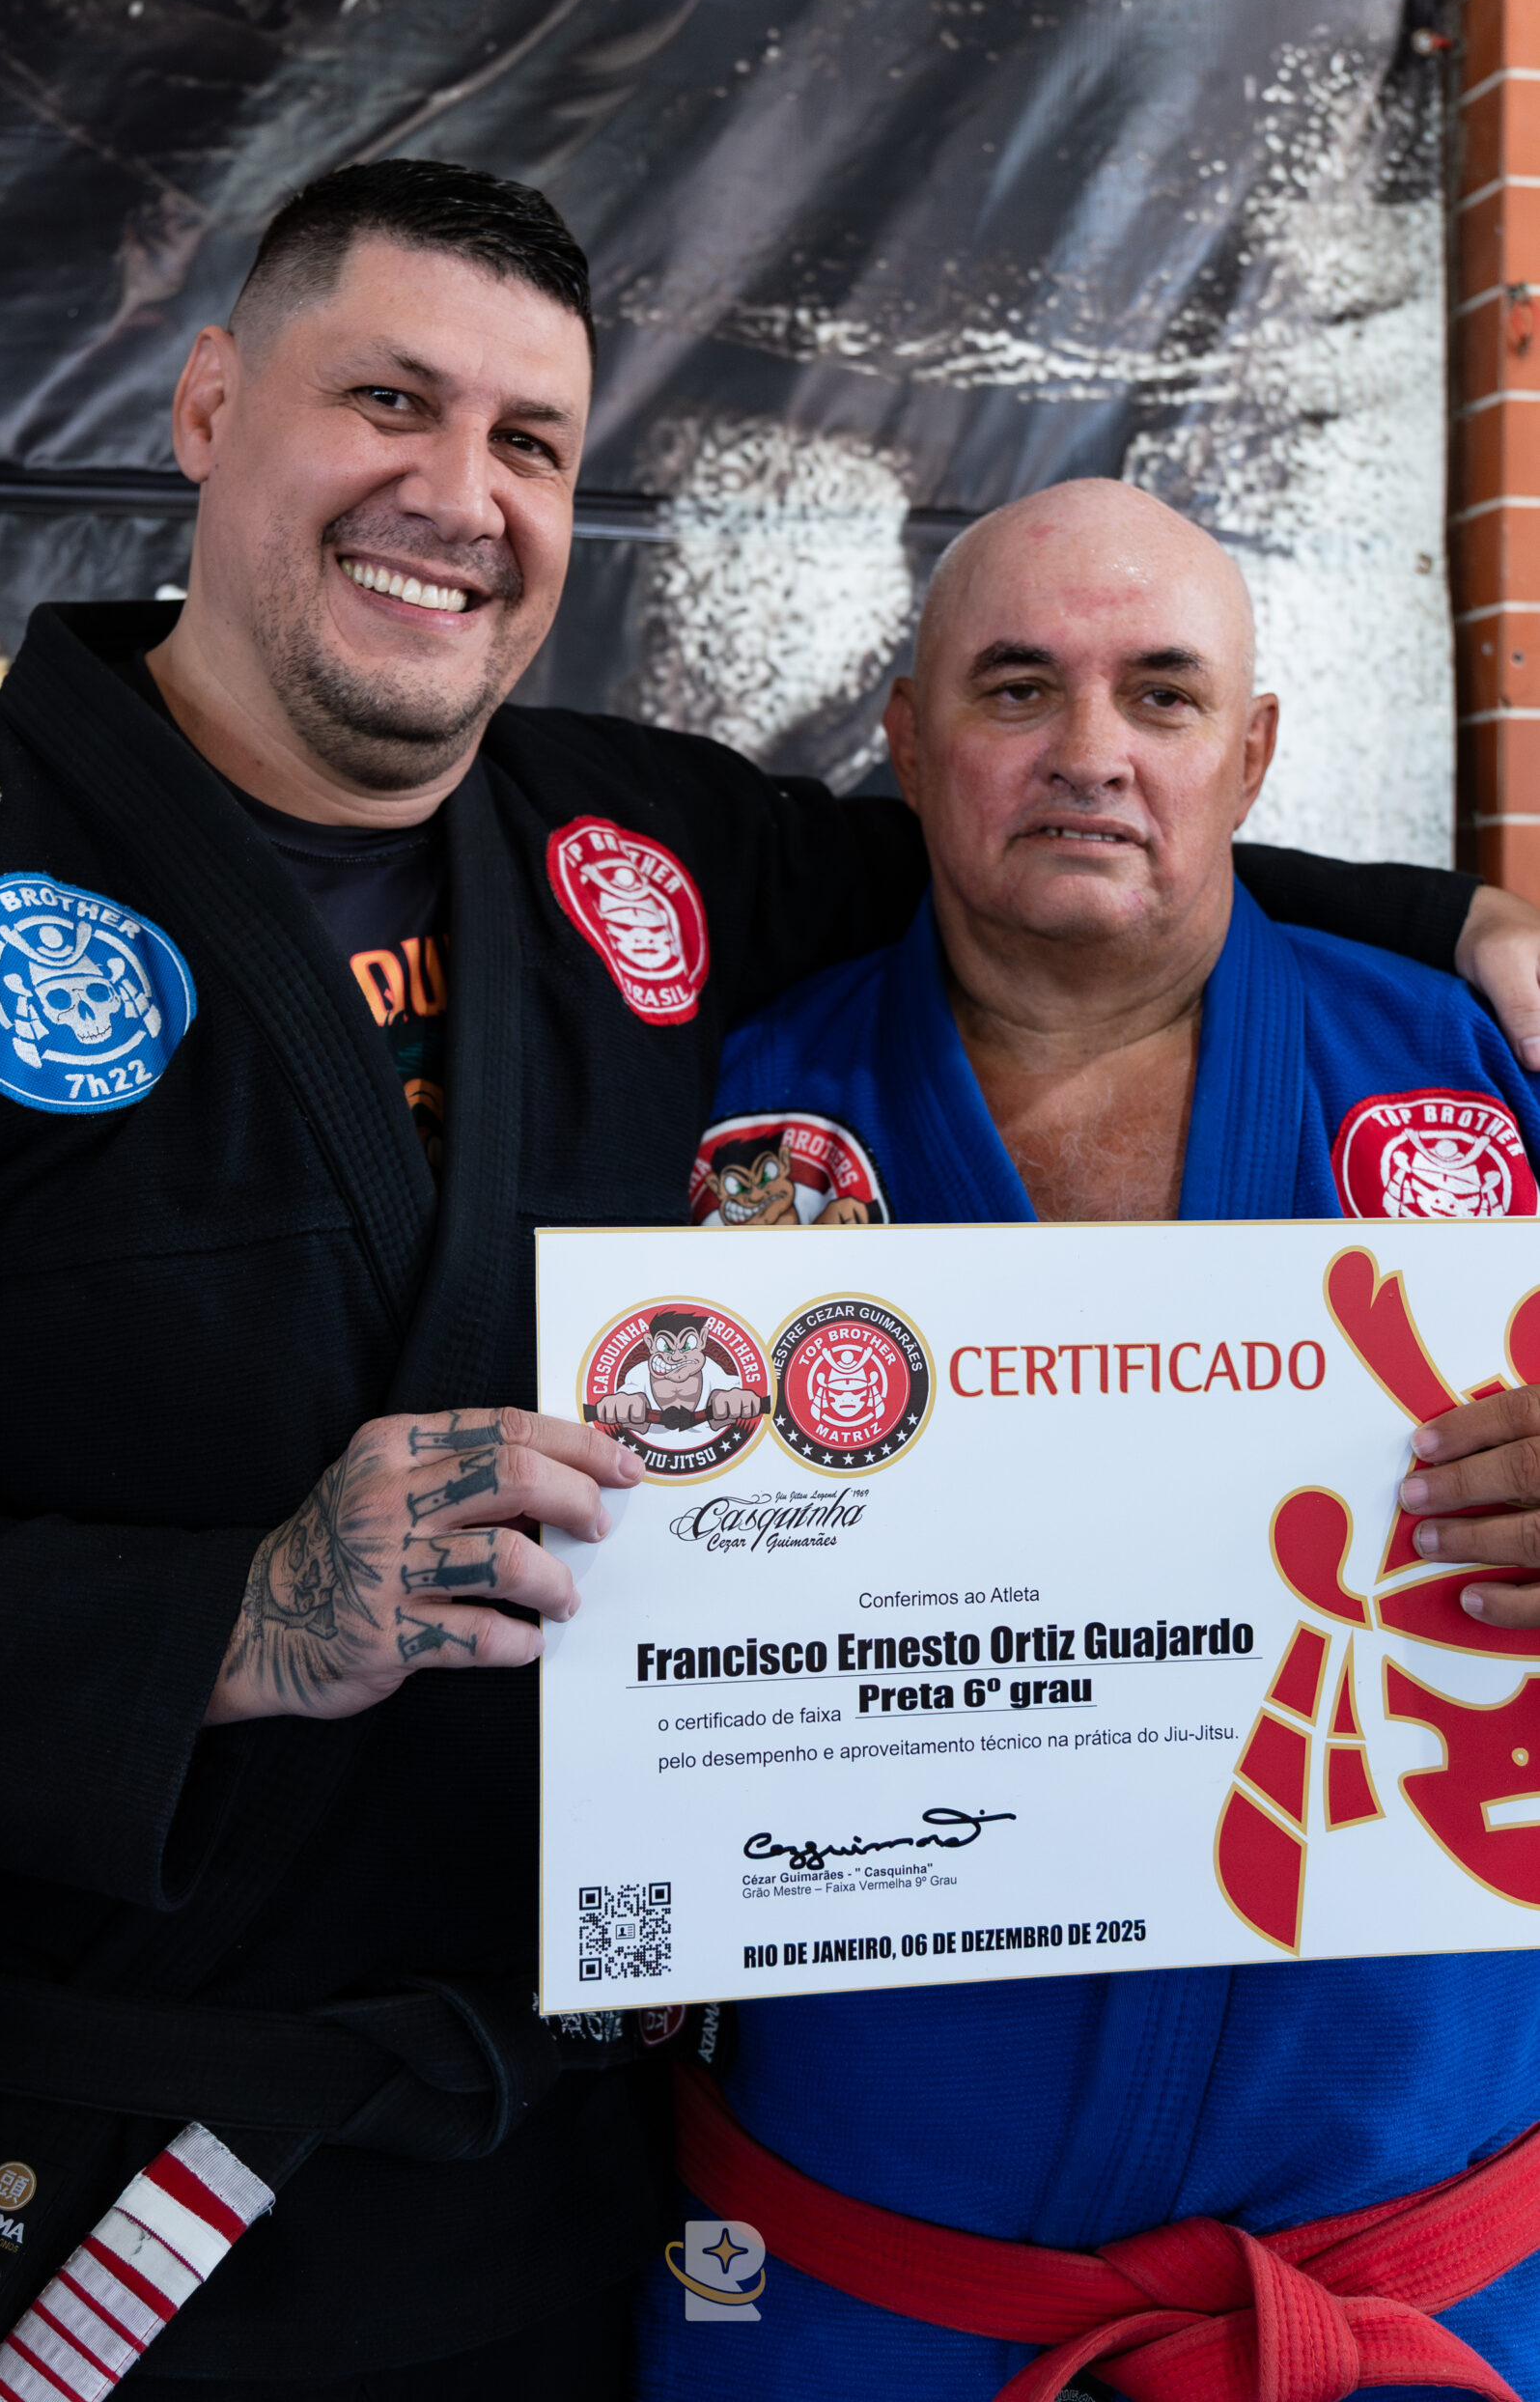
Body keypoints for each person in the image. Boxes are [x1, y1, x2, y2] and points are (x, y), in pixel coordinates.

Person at [0, 167, 1534, 2402]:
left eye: (529, 440)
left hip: (576, 2193)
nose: (456, 493)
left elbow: (1065, 859)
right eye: (387, 399)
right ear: (203, 407)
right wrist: (234, 1616)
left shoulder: (630, 844)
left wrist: (1453, 924)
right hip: (133, 2182)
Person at [643, 480, 1540, 2402]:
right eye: (1015, 687)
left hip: (1419, 2278)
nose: (1088, 751)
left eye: (1161, 693)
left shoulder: (1470, 1079)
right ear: (907, 743)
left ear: (1252, 753)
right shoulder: (711, 1122)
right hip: (850, 2292)